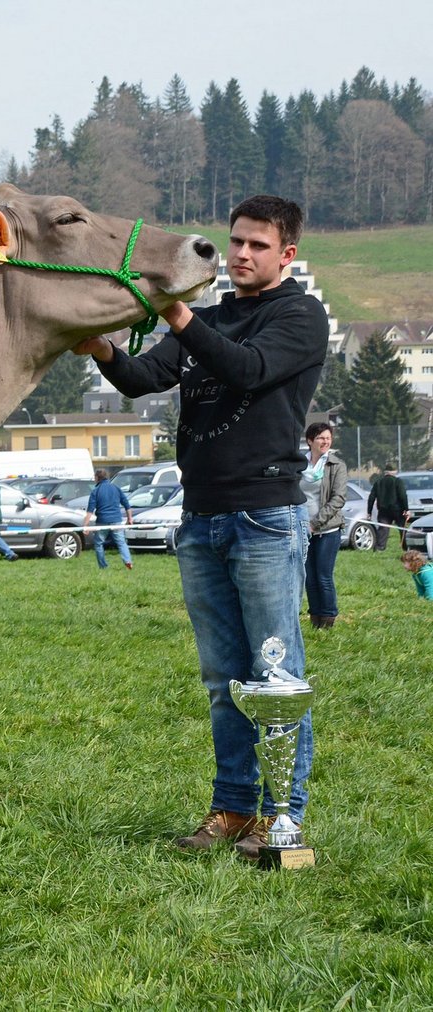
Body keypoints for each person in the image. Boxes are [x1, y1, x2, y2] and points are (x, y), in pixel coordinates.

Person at [73, 194, 327, 860]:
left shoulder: (299, 316)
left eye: (258, 246)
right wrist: (100, 345)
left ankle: (284, 817)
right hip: (201, 518)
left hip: (266, 515)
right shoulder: (208, 319)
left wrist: (178, 313)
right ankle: (234, 808)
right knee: (223, 681)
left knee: (274, 674)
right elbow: (141, 377)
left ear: (287, 255)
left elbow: (247, 369)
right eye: (236, 242)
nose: (241, 254)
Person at [300, 421, 347, 629]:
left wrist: (315, 523)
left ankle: (328, 619)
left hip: (327, 530)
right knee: (309, 577)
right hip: (303, 528)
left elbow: (338, 498)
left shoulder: (337, 465)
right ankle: (315, 617)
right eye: (321, 437)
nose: (325, 441)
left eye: (328, 437)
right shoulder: (300, 465)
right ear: (310, 441)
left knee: (323, 576)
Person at [84, 469, 134, 570]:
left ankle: (103, 566)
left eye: (95, 477)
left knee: (98, 543)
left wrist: (85, 525)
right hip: (116, 520)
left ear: (97, 478)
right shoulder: (116, 488)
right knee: (121, 542)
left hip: (102, 521)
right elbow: (127, 505)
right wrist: (130, 518)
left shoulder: (95, 491)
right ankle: (128, 561)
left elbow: (90, 510)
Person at [367, 462, 410, 552]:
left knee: (383, 529)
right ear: (395, 471)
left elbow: (371, 497)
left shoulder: (378, 482)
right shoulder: (398, 481)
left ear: (385, 472)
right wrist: (406, 509)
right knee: (402, 529)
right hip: (397, 510)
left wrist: (369, 512)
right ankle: (406, 547)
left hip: (383, 511)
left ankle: (379, 547)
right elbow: (403, 496)